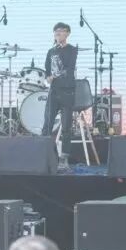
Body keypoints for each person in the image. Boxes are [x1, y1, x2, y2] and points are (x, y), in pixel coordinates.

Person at [41, 22, 78, 169]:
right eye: (56, 31)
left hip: (67, 91)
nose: (58, 33)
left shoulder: (72, 50)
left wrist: (54, 75)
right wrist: (48, 77)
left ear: (67, 33)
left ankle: (64, 158)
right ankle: (47, 155)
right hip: (54, 91)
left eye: (61, 31)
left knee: (66, 127)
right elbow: (47, 70)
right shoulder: (51, 51)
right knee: (47, 124)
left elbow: (69, 67)